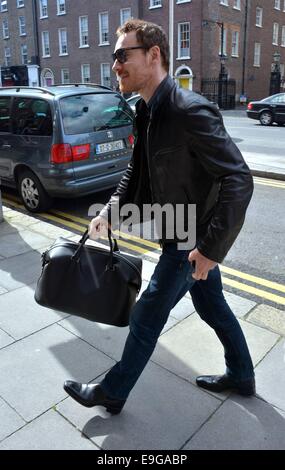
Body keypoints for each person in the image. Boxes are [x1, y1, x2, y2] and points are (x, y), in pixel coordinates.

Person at [64, 19, 255, 415]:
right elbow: (137, 171)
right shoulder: (146, 110)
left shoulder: (189, 110)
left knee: (148, 312)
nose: (116, 65)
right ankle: (242, 374)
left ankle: (113, 391)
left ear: (153, 55)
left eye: (122, 55)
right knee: (212, 305)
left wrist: (210, 248)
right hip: (176, 228)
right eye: (114, 57)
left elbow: (238, 178)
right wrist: (111, 214)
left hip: (192, 238)